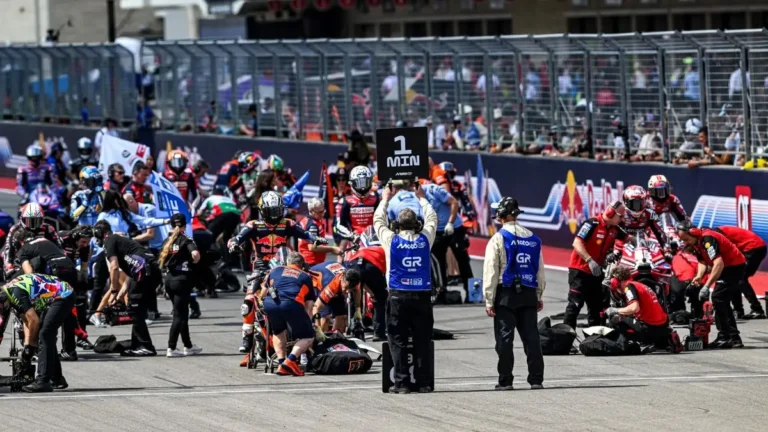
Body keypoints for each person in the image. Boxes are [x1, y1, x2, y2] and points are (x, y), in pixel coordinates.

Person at [228, 191, 321, 356]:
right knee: (248, 301)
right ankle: (247, 334)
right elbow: (236, 238)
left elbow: (305, 234)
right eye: (272, 211)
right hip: (261, 268)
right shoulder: (253, 225)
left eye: (278, 210)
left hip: (283, 266)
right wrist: (234, 244)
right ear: (263, 210)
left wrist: (315, 239)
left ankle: (303, 328)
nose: (275, 214)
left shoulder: (287, 224)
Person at [374, 181, 438, 394]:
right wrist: (422, 198)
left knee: (397, 339)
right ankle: (424, 383)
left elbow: (378, 220)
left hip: (397, 296)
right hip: (422, 296)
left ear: (396, 225)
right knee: (422, 340)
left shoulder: (390, 239)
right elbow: (432, 218)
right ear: (417, 225)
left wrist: (385, 199)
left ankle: (401, 383)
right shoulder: (425, 239)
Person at [483, 197, 545, 391]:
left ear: (500, 215)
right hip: (528, 293)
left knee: (504, 339)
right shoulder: (534, 239)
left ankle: (505, 380)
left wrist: (489, 299)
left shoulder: (498, 238)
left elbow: (491, 271)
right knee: (532, 338)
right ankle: (536, 379)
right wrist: (538, 295)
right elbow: (540, 272)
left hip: (506, 294)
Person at [94, 220, 162, 356]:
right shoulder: (123, 242)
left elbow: (114, 267)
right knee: (136, 310)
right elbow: (132, 274)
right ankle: (136, 345)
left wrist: (113, 291)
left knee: (135, 309)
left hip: (144, 272)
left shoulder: (109, 240)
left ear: (101, 234)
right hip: (151, 272)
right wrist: (120, 294)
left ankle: (146, 346)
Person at [676, 221, 746, 348]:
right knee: (722, 300)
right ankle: (733, 338)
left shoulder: (708, 239)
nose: (685, 243)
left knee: (718, 298)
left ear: (693, 232)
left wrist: (707, 286)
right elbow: (702, 261)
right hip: (727, 267)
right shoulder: (696, 242)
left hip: (734, 267)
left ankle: (725, 337)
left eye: (686, 239)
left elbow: (718, 263)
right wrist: (699, 276)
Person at [0, 274, 74, 392]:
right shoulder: (10, 293)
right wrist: (27, 346)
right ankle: (57, 379)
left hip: (63, 295)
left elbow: (34, 320)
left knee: (44, 335)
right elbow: (26, 320)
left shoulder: (15, 293)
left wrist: (31, 346)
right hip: (52, 298)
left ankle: (42, 382)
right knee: (45, 336)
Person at [15, 231, 81, 360]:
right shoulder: (45, 240)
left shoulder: (24, 249)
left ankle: (43, 351)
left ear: (21, 242)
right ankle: (70, 350)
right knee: (67, 310)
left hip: (56, 271)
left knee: (45, 313)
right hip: (70, 269)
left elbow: (30, 274)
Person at [563, 201, 628, 329]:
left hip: (596, 273)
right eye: (620, 216)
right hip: (580, 271)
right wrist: (589, 260)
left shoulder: (615, 229)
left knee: (596, 308)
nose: (622, 219)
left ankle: (595, 338)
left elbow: (630, 239)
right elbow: (576, 243)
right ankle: (566, 338)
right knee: (575, 305)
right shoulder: (591, 224)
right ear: (610, 213)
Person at [260, 252, 316, 376]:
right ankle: (290, 360)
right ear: (302, 265)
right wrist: (308, 322)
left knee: (278, 332)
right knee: (308, 336)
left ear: (287, 262)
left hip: (271, 303)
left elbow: (263, 293)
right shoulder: (305, 276)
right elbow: (309, 305)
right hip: (291, 303)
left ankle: (281, 363)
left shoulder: (275, 270)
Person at [158, 213, 203, 358]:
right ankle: (171, 347)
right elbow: (195, 254)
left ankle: (188, 345)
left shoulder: (167, 241)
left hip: (169, 279)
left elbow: (160, 259)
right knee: (179, 315)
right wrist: (194, 262)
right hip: (182, 280)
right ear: (184, 225)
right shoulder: (186, 239)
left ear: (171, 225)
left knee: (182, 313)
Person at [423, 182, 473, 303]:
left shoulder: (434, 190)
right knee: (438, 262)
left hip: (454, 227)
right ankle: (441, 292)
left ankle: (471, 292)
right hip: (437, 231)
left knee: (462, 259)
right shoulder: (412, 198)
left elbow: (454, 202)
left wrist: (450, 223)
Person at [605, 266, 672, 351]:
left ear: (616, 281)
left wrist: (614, 310)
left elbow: (634, 308)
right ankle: (659, 343)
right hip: (663, 328)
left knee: (615, 319)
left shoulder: (629, 287)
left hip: (649, 329)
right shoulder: (640, 285)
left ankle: (624, 345)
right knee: (628, 317)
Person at [715, 225, 767, 319]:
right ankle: (738, 310)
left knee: (740, 279)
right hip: (752, 247)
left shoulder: (717, 235)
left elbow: (727, 252)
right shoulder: (716, 233)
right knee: (736, 278)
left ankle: (757, 309)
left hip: (754, 248)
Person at [2, 203, 62, 280]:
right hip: (20, 265)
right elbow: (8, 249)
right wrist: (9, 267)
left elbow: (59, 248)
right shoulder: (15, 229)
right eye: (29, 221)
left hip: (46, 264)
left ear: (42, 219)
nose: (33, 226)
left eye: (36, 221)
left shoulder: (49, 229)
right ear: (22, 219)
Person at [346, 229, 387, 341]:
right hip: (372, 266)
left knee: (354, 299)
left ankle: (356, 332)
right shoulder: (384, 248)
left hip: (353, 264)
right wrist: (374, 293)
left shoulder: (359, 248)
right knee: (380, 298)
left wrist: (368, 290)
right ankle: (379, 333)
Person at [309, 262, 361, 334]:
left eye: (350, 288)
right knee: (325, 318)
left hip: (332, 272)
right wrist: (318, 329)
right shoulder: (331, 286)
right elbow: (316, 308)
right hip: (317, 281)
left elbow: (357, 291)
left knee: (342, 317)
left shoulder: (353, 280)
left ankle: (336, 337)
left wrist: (358, 309)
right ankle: (320, 337)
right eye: (346, 288)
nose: (348, 291)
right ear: (342, 280)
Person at [198, 185, 242, 266]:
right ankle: (229, 262)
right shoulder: (229, 199)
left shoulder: (210, 198)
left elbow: (199, 213)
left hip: (223, 215)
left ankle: (213, 260)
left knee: (209, 236)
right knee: (226, 238)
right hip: (236, 216)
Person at [299, 198, 342, 267]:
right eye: (320, 212)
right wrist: (332, 249)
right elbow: (312, 247)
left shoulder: (309, 220)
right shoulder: (312, 225)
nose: (322, 214)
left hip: (310, 260)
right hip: (311, 262)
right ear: (311, 211)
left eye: (323, 211)